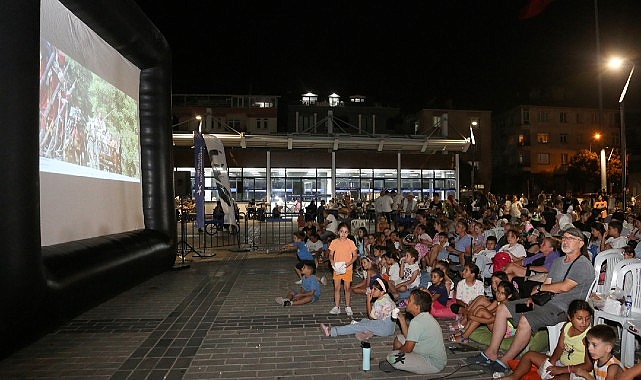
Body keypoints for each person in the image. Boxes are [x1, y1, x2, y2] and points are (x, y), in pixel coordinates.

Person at [467, 227, 596, 375]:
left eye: (570, 238)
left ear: (580, 243)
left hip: (561, 309)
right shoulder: (559, 261)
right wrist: (536, 295)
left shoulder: (583, 265)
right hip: (543, 303)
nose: (565, 241)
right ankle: (492, 352)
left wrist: (541, 287)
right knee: (504, 308)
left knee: (525, 320)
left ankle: (505, 361)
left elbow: (564, 287)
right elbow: (548, 282)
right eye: (564, 238)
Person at [501, 300, 594, 380]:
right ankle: (514, 377)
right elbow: (560, 347)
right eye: (579, 319)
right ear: (570, 318)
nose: (584, 323)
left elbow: (588, 366)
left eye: (587, 318)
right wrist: (552, 361)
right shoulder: (567, 327)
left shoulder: (589, 336)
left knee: (558, 378)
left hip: (575, 371)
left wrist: (562, 370)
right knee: (529, 355)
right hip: (561, 363)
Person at [379, 289, 447, 374]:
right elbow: (409, 337)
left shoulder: (417, 322)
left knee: (391, 357)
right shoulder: (424, 317)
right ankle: (404, 362)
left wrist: (398, 352)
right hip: (424, 351)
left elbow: (408, 348)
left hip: (432, 363)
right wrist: (402, 319)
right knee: (399, 339)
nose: (407, 302)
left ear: (417, 307)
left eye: (410, 301)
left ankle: (399, 363)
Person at [320, 278, 396, 338]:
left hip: (383, 328)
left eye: (375, 289)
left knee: (359, 326)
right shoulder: (387, 297)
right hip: (391, 328)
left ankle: (331, 331)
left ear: (382, 292)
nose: (372, 291)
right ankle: (367, 333)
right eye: (372, 288)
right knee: (364, 321)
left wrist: (368, 302)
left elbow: (371, 317)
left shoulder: (379, 302)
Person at [450, 280, 518, 343]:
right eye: (498, 292)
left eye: (502, 293)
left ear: (509, 296)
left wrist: (472, 317)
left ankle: (464, 336)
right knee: (480, 305)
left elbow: (489, 321)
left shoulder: (506, 306)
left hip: (504, 331)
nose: (498, 295)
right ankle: (465, 330)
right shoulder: (498, 301)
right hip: (497, 324)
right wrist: (473, 313)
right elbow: (488, 310)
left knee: (481, 311)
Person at [327, 223, 358, 316]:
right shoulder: (334, 242)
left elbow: (355, 255)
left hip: (347, 268)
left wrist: (349, 263)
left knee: (347, 288)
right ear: (338, 232)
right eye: (341, 231)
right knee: (337, 287)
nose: (343, 234)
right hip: (337, 268)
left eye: (346, 232)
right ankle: (337, 306)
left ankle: (348, 306)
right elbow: (331, 254)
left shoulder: (351, 242)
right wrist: (331, 260)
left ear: (348, 233)